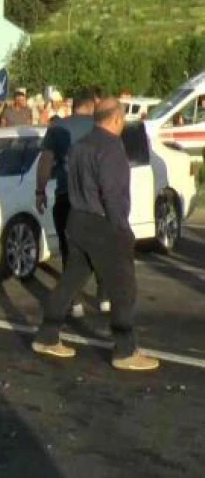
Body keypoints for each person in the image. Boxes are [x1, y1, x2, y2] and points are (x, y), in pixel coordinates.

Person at [32, 98, 159, 371]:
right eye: (123, 117)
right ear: (115, 119)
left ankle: (46, 335)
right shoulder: (112, 147)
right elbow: (112, 194)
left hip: (77, 220)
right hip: (103, 223)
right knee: (123, 287)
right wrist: (122, 230)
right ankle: (125, 351)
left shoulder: (80, 146)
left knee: (70, 282)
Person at [35, 89, 109, 317]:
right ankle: (105, 297)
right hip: (96, 199)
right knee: (99, 248)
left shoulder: (57, 128)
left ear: (73, 106)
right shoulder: (101, 128)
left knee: (69, 250)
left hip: (66, 197)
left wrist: (40, 191)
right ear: (91, 105)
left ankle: (74, 302)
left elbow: (46, 160)